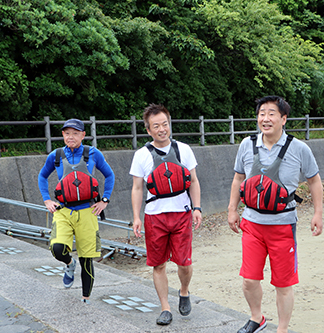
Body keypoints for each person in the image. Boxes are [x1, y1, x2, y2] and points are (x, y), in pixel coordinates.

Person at [227, 96, 323, 333]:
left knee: (283, 282)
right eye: (261, 113)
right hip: (252, 222)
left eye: (271, 113)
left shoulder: (299, 148)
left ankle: (282, 328)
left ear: (283, 119)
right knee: (249, 279)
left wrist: (317, 213)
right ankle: (256, 318)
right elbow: (239, 178)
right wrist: (232, 209)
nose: (265, 118)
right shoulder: (247, 145)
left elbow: (314, 180)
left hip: (283, 225)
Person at [130, 104, 202, 326]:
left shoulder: (183, 149)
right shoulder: (141, 155)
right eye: (156, 126)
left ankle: (184, 290)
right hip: (154, 215)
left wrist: (197, 207)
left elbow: (194, 180)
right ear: (148, 130)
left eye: (165, 124)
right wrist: (136, 216)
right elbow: (137, 188)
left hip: (181, 213)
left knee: (184, 263)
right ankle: (165, 308)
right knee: (158, 264)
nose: (162, 129)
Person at [38, 118, 115, 303]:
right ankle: (69, 264)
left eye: (75, 133)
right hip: (63, 210)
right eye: (67, 133)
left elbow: (109, 175)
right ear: (62, 135)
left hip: (88, 211)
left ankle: (85, 299)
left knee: (86, 259)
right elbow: (42, 176)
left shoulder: (93, 153)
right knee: (57, 248)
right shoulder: (55, 156)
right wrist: (47, 200)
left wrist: (104, 200)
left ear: (83, 135)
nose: (70, 137)